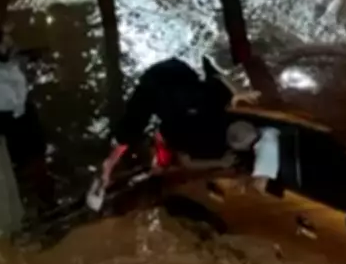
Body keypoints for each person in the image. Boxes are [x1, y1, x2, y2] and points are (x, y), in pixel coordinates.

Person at [86, 57, 257, 210]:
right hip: (154, 86)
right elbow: (185, 161)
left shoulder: (216, 100)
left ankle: (115, 167)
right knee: (129, 136)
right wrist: (220, 163)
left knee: (147, 137)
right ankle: (107, 168)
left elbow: (217, 76)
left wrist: (238, 93)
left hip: (180, 75)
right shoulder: (182, 129)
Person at [0, 7, 54, 211]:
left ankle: (46, 197)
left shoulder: (4, 39)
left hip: (22, 105)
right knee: (15, 162)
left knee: (38, 152)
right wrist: (6, 44)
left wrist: (30, 54)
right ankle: (23, 200)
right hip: (2, 113)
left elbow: (12, 58)